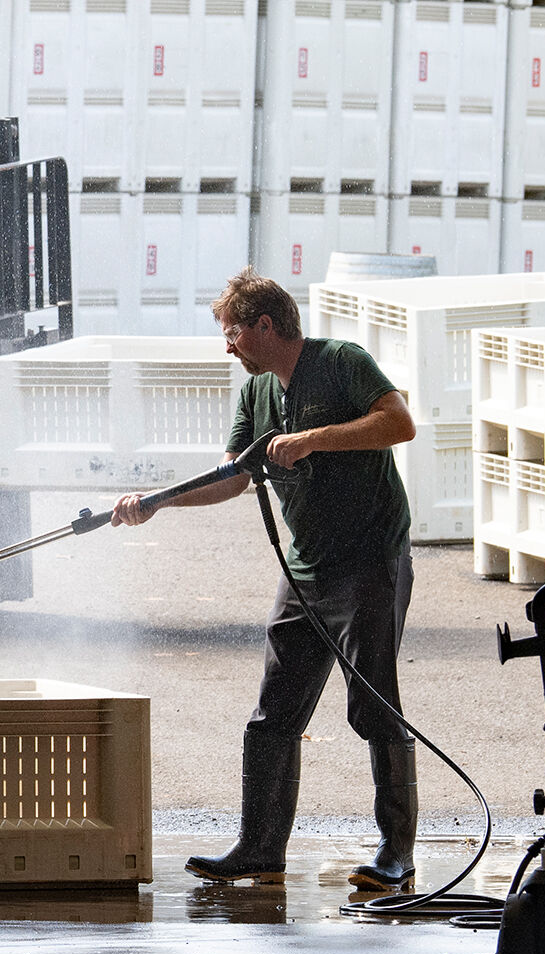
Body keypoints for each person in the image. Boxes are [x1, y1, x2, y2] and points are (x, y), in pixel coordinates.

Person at [111, 269, 422, 891]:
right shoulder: (255, 396)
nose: (227, 346)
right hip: (304, 570)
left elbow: (398, 423)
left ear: (265, 325)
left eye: (231, 333)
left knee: (373, 705)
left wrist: (312, 441)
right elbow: (234, 477)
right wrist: (158, 501)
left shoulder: (342, 363)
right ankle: (260, 847)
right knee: (272, 715)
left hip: (370, 563)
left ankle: (396, 851)